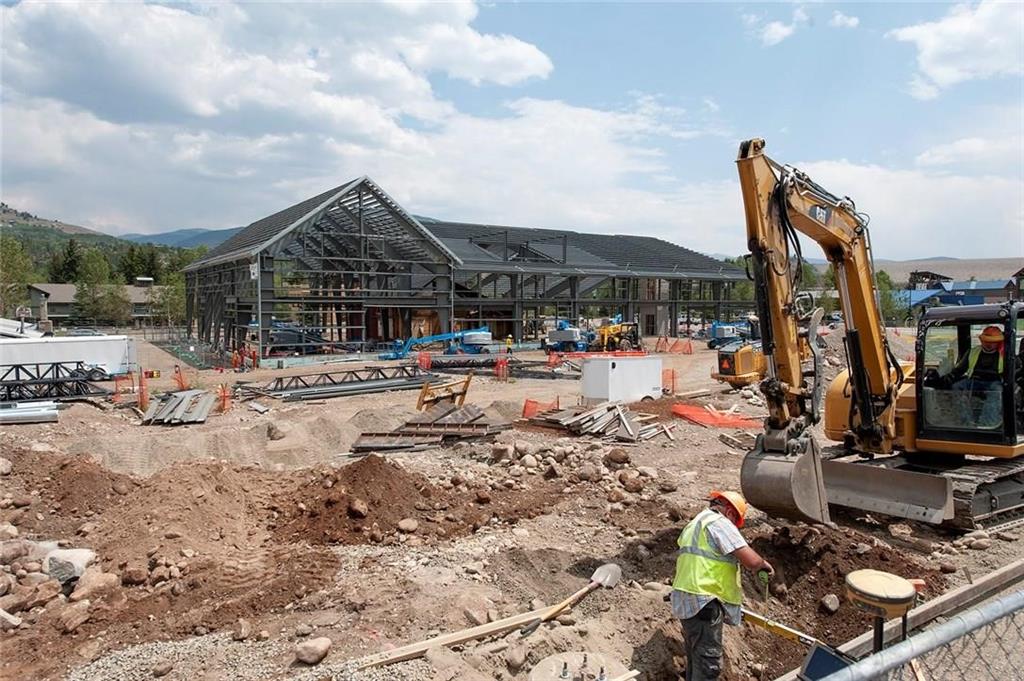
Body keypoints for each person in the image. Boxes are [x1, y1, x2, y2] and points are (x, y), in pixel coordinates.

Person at [671, 491, 774, 680]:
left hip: (687, 599)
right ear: (730, 513)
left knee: (696, 661)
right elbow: (750, 560)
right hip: (705, 600)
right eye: (735, 523)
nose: (734, 527)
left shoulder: (694, 525)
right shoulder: (719, 523)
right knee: (709, 667)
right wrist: (762, 564)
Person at [929, 325, 1005, 427]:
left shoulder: (1004, 354)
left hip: (994, 382)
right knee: (957, 386)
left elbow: (1014, 371)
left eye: (992, 342)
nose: (989, 344)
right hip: (974, 380)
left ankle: (988, 423)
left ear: (998, 342)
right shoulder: (973, 352)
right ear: (981, 340)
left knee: (997, 390)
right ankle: (966, 421)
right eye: (986, 341)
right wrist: (944, 380)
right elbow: (959, 370)